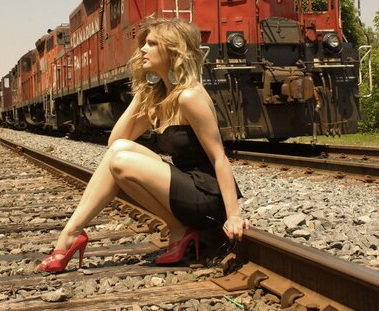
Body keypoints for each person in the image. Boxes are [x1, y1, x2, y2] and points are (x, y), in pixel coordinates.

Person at [38, 17, 249, 272]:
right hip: (187, 185)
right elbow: (116, 141)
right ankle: (173, 229)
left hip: (206, 196)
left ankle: (71, 237)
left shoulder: (189, 96)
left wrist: (234, 215)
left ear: (173, 50)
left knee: (121, 160)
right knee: (119, 153)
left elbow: (219, 157)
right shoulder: (162, 96)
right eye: (144, 44)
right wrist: (143, 94)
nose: (143, 50)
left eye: (151, 44)